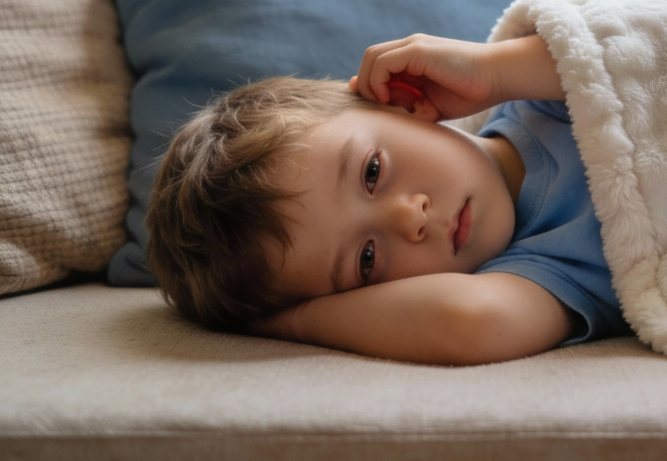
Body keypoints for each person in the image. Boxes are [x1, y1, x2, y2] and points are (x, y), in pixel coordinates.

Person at [147, 32, 629, 365]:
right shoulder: (542, 270)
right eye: (367, 259)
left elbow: (659, 47)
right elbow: (470, 322)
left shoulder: (544, 92)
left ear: (400, 101)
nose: (409, 219)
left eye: (372, 172)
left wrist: (494, 71)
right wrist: (296, 321)